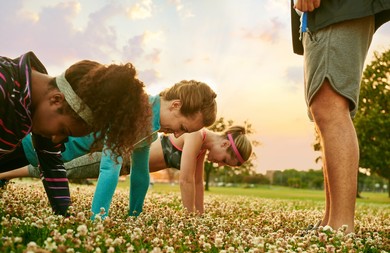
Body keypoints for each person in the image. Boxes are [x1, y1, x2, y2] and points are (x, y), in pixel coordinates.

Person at [1, 80, 218, 217]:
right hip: (37, 143)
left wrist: (134, 215)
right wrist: (98, 218)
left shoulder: (150, 126)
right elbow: (109, 167)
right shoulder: (137, 110)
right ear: (176, 105)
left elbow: (140, 173)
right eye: (182, 127)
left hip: (51, 153)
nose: (178, 135)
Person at [0, 51, 151, 215]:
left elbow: (51, 164)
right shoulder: (5, 86)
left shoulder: (31, 98)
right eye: (63, 130)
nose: (56, 139)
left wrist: (66, 216)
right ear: (56, 100)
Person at [291, 0, 390, 233]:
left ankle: (341, 227)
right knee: (324, 112)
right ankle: (331, 220)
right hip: (326, 13)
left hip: (337, 7)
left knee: (330, 106)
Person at [1, 126, 252, 214]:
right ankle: (3, 174)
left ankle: (4, 174)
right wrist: (191, 220)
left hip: (127, 165)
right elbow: (186, 181)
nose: (219, 164)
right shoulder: (197, 135)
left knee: (62, 169)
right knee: (62, 168)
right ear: (224, 144)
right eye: (225, 161)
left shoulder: (203, 148)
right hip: (119, 154)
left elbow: (197, 185)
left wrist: (200, 215)